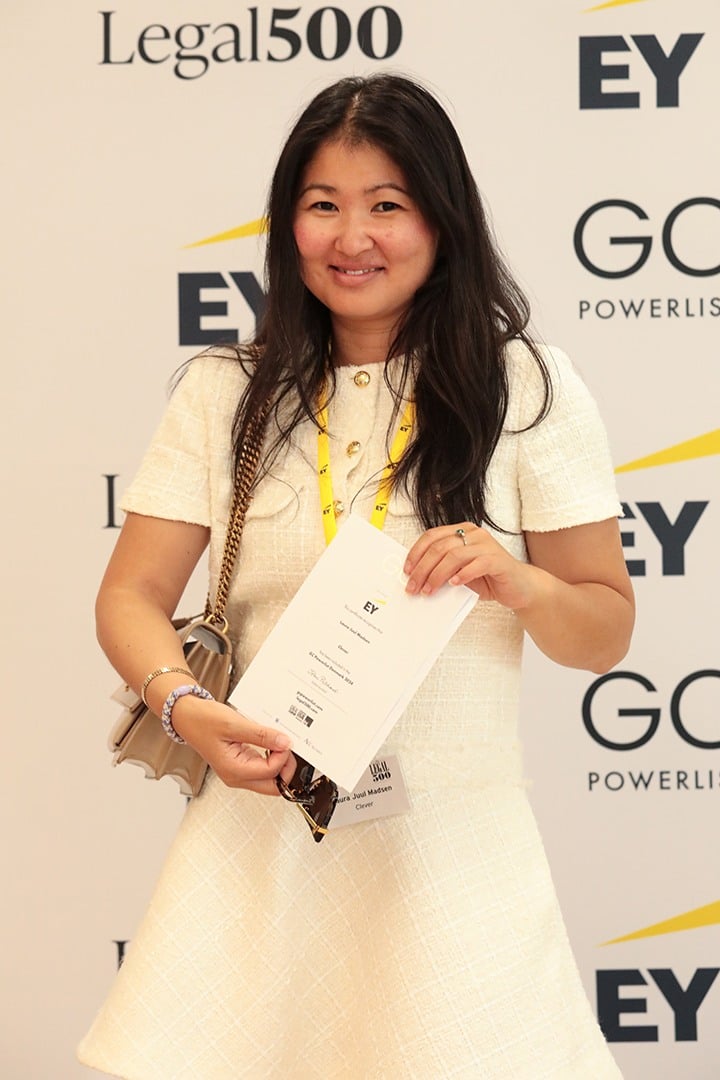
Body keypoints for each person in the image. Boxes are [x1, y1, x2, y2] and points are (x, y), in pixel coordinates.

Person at [78, 73, 634, 1078]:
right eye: (323, 205)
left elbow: (603, 630)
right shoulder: (224, 393)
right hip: (258, 839)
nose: (352, 237)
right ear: (289, 223)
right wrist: (185, 709)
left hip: (456, 854)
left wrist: (520, 582)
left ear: (442, 220)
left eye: (387, 204)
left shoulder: (527, 386)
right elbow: (130, 597)